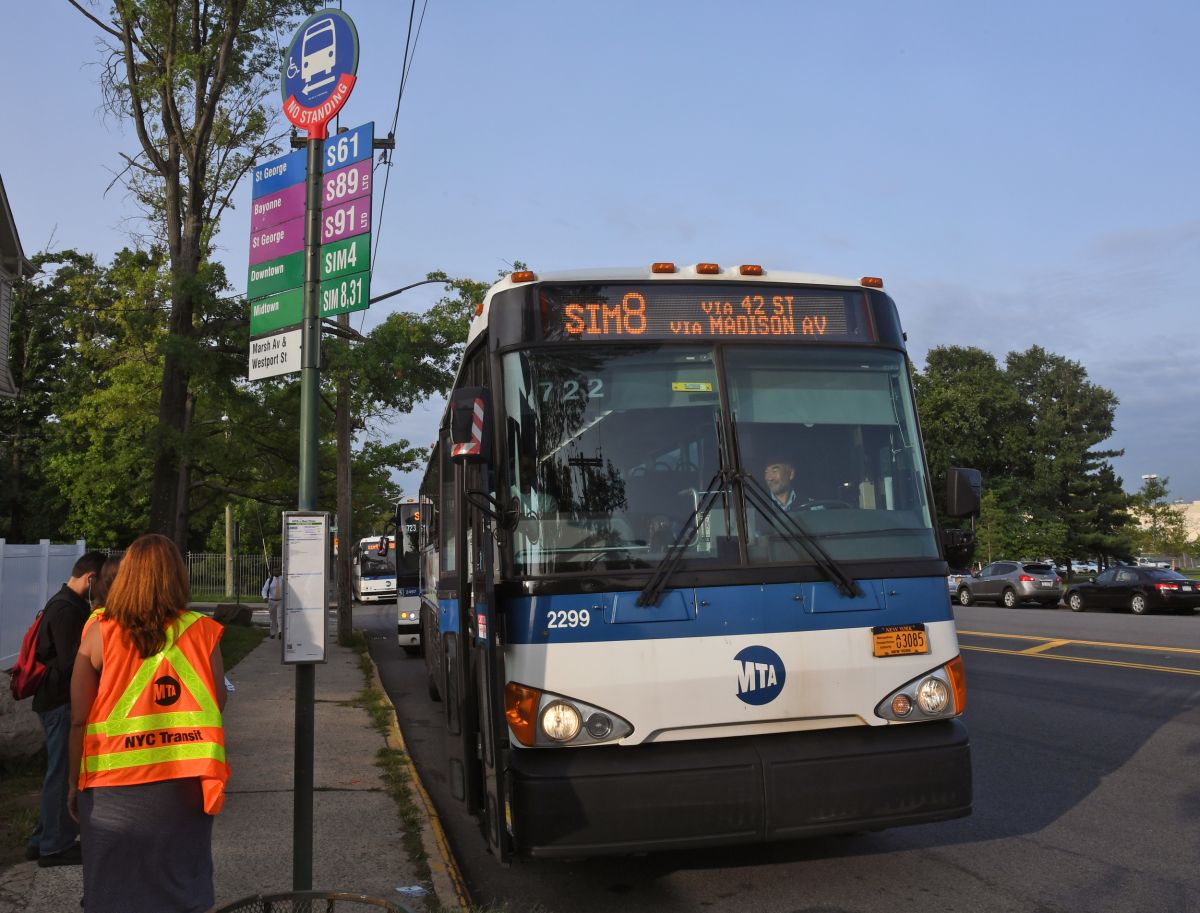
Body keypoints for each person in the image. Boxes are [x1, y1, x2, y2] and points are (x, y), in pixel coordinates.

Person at [68, 533, 228, 913]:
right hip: (184, 785)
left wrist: (73, 784)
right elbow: (216, 702)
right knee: (179, 885)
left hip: (110, 787)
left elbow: (78, 719)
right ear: (177, 577)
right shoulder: (202, 631)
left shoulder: (99, 633)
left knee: (111, 887)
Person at [25, 550, 106, 866]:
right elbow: (73, 663)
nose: (101, 594)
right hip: (59, 702)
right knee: (61, 774)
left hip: (54, 700)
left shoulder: (61, 605)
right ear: (91, 579)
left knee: (56, 772)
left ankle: (41, 839)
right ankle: (55, 846)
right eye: (100, 586)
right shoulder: (68, 611)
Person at [262, 562, 282, 638]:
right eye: (275, 571)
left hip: (281, 601)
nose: (276, 572)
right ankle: (273, 632)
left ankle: (280, 632)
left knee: (280, 617)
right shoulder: (269, 580)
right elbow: (264, 590)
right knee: (272, 618)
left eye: (278, 570)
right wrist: (265, 597)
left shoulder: (283, 580)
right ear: (272, 572)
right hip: (271, 601)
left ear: (280, 571)